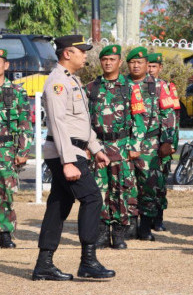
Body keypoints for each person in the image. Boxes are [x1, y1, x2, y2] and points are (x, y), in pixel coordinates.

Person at [32, 35, 115, 281]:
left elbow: (79, 123)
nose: (86, 55)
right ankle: (88, 261)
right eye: (82, 51)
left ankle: (44, 264)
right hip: (64, 152)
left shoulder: (72, 80)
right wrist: (68, 161)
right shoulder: (57, 82)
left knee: (59, 205)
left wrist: (96, 148)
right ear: (68, 54)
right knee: (92, 198)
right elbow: (57, 124)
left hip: (73, 149)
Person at [86, 44, 144, 250]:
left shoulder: (131, 88)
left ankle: (119, 233)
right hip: (98, 147)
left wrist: (135, 146)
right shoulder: (91, 88)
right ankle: (101, 233)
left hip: (122, 146)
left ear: (119, 62)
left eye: (112, 59)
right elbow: (84, 119)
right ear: (100, 62)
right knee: (99, 191)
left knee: (121, 191)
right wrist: (87, 146)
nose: (108, 63)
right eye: (105, 59)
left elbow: (139, 119)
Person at [126, 47, 176, 242]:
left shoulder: (159, 86)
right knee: (127, 185)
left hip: (151, 144)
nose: (136, 65)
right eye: (132, 62)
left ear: (147, 65)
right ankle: (130, 226)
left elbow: (168, 114)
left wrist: (167, 141)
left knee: (149, 186)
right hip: (126, 143)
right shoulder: (122, 84)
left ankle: (145, 227)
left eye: (140, 62)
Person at [0, 48, 32, 249]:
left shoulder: (17, 92)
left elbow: (25, 124)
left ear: (6, 65)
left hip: (7, 150)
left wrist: (23, 151)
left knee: (6, 192)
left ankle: (4, 232)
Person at [146, 52, 180, 232]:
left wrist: (171, 143)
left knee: (160, 183)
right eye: (148, 65)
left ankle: (158, 218)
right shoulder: (138, 87)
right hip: (145, 144)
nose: (150, 69)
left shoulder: (167, 87)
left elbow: (174, 118)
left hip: (163, 144)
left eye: (154, 66)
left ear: (160, 68)